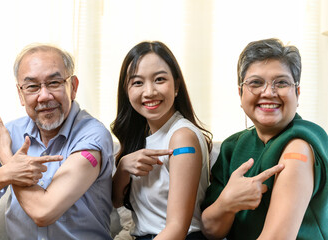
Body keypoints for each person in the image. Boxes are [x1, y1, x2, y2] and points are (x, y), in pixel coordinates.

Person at [0, 43, 114, 239]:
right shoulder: (11, 133)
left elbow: (44, 212)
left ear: (73, 87)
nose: (44, 96)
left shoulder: (92, 134)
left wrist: (6, 157)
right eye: (32, 87)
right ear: (21, 94)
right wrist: (7, 170)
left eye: (54, 83)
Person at [201, 38, 328, 239]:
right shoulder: (232, 147)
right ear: (240, 93)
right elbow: (211, 230)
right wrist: (227, 202)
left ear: (298, 92)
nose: (268, 92)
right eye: (256, 83)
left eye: (282, 82)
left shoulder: (300, 145)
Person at [111, 41, 213, 240]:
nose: (149, 92)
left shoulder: (182, 137)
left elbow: (177, 228)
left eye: (159, 79)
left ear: (176, 86)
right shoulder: (141, 135)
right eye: (138, 82)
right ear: (127, 91)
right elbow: (116, 201)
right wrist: (123, 167)